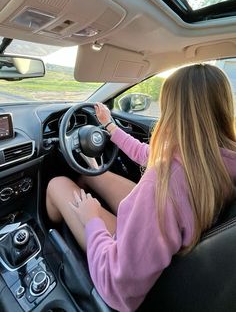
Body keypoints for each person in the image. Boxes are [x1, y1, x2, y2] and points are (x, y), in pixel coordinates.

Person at [46, 63, 236, 312]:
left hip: (137, 270)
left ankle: (48, 237)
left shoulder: (164, 183)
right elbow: (149, 155)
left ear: (174, 112)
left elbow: (118, 285)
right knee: (92, 175)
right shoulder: (214, 158)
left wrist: (91, 220)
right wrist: (110, 127)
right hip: (174, 238)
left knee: (56, 184)